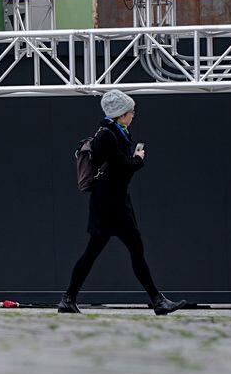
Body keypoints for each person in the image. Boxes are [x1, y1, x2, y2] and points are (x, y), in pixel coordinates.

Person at [59, 90, 182, 315]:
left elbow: (119, 167)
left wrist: (132, 161)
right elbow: (121, 167)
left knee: (118, 250)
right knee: (107, 251)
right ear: (121, 114)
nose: (133, 114)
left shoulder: (117, 132)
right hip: (109, 205)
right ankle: (157, 301)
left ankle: (157, 300)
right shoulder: (107, 136)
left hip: (114, 202)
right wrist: (138, 159)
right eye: (131, 111)